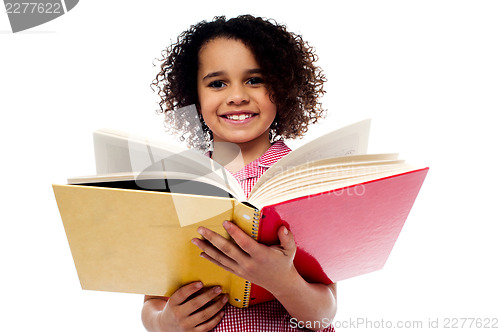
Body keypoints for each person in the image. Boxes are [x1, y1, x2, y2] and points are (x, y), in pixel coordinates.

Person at [142, 15, 337, 332]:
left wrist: (282, 281)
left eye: (255, 80)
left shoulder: (305, 177)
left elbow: (323, 314)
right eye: (217, 83)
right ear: (194, 95)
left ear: (283, 88)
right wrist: (165, 323)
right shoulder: (175, 181)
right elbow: (152, 302)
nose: (236, 96)